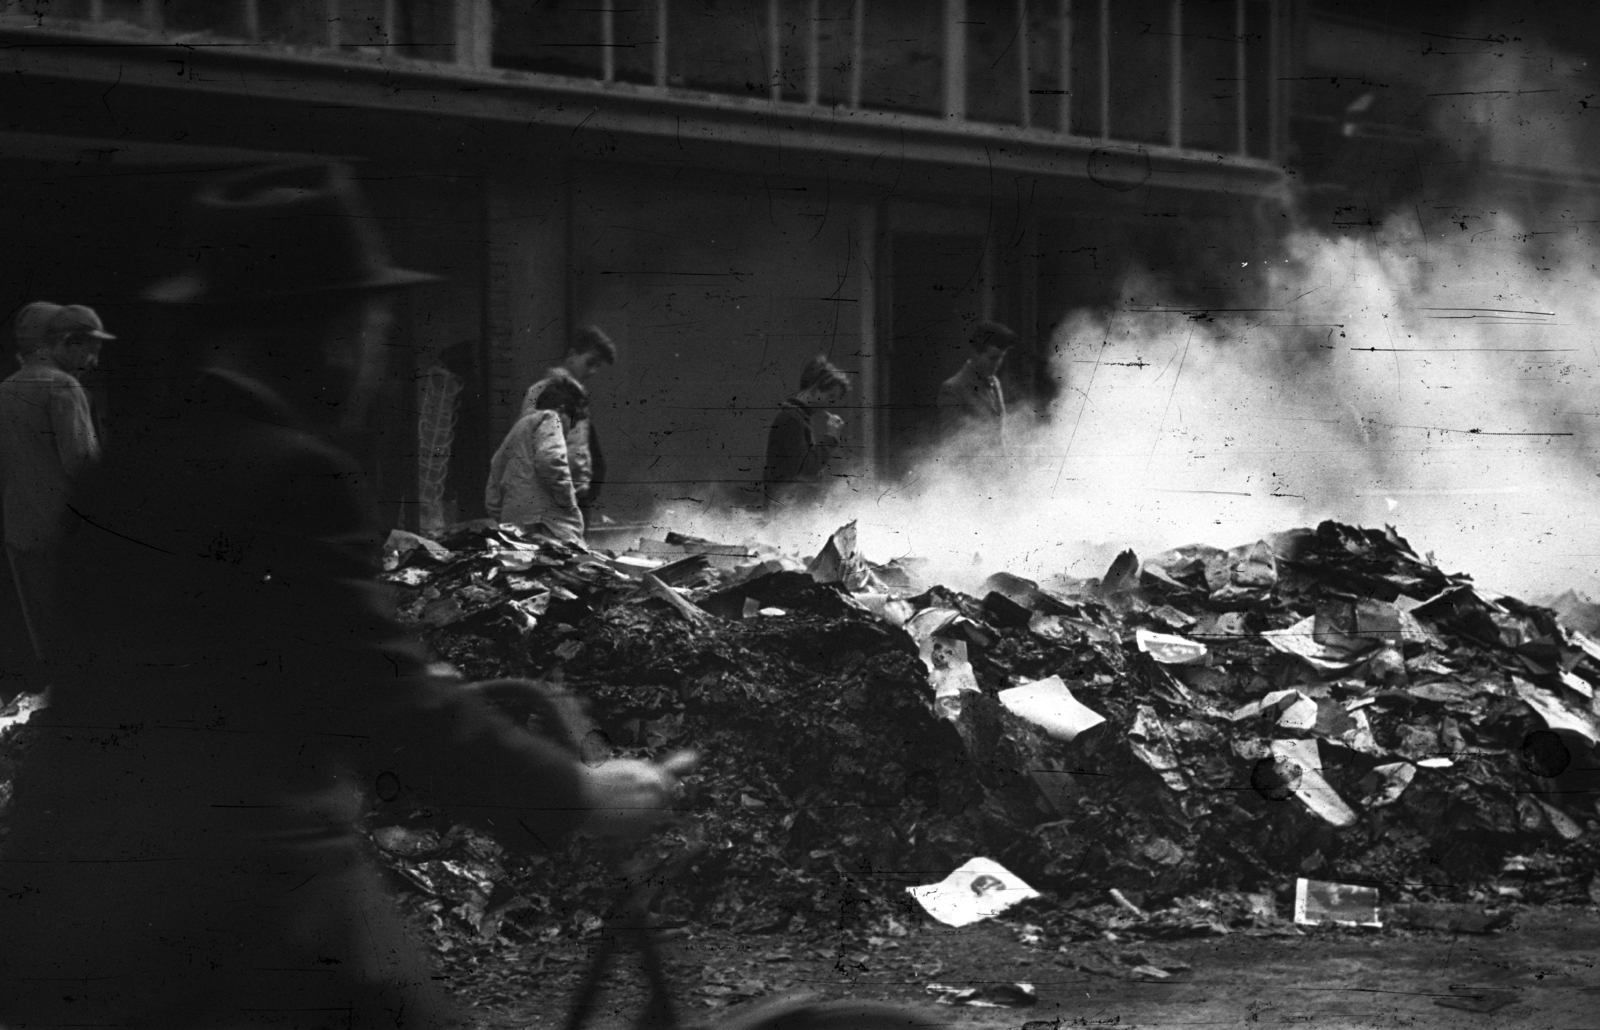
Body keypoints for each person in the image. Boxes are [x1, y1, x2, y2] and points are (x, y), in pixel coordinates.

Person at [0, 162, 689, 1030]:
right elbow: (382, 709)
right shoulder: (295, 476)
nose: (372, 354)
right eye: (367, 326)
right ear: (322, 336)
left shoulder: (122, 470)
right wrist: (584, 796)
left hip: (54, 910)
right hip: (230, 918)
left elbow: (207, 681)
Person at [0, 300, 113, 668]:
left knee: (46, 636)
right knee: (84, 635)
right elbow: (83, 466)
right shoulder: (63, 387)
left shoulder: (5, 390)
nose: (94, 361)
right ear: (66, 342)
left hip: (20, 533)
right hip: (65, 537)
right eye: (90, 350)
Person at [520, 325, 615, 513]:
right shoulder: (558, 394)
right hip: (560, 503)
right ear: (572, 355)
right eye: (590, 362)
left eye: (598, 366)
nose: (593, 371)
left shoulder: (562, 393)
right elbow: (549, 454)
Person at [487, 376, 587, 543]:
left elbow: (494, 479)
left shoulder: (517, 430)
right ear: (562, 410)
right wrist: (568, 502)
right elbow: (549, 460)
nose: (570, 431)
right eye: (573, 422)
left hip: (514, 524)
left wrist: (504, 516)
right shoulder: (550, 418)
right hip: (545, 523)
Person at [762, 354, 850, 508]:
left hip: (788, 508)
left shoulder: (799, 417)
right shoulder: (792, 419)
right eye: (830, 397)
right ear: (815, 389)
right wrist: (831, 437)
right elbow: (806, 468)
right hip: (786, 512)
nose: (829, 405)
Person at [936, 319, 1018, 453]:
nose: (997, 364)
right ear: (975, 354)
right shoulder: (953, 388)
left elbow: (1001, 436)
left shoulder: (995, 382)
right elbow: (951, 443)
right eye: (992, 358)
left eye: (1001, 358)